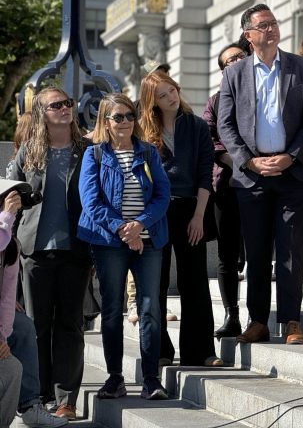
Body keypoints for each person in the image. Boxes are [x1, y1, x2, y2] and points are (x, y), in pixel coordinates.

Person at [218, 3, 303, 344]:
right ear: (249, 35)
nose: (271, 29)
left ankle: (292, 320)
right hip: (253, 177)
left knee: (291, 250)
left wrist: (292, 156)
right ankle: (258, 320)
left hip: (291, 173)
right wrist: (247, 161)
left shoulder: (300, 66)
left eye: (274, 23)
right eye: (263, 26)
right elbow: (226, 124)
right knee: (258, 253)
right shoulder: (234, 74)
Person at [78, 93, 171, 400]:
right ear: (105, 121)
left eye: (130, 116)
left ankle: (151, 378)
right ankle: (115, 377)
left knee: (150, 309)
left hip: (148, 239)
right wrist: (122, 228)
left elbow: (162, 194)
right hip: (109, 242)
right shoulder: (94, 155)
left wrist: (140, 224)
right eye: (118, 117)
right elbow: (91, 201)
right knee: (112, 309)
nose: (126, 122)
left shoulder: (148, 152)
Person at [8, 89, 91, 420]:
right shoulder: (28, 152)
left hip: (76, 249)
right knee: (37, 327)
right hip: (33, 251)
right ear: (41, 113)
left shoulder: (88, 151)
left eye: (68, 103)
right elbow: (7, 203)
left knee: (70, 325)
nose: (65, 108)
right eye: (56, 105)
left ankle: (66, 400)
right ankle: (38, 397)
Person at [138, 72, 222, 367]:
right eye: (162, 95)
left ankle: (201, 351)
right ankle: (159, 350)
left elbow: (205, 173)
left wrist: (199, 216)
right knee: (155, 283)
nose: (171, 97)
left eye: (171, 90)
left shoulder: (196, 125)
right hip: (156, 212)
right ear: (152, 102)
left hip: (191, 208)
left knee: (195, 280)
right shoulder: (143, 132)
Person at [203, 43, 249, 338]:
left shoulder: (267, 91)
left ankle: (259, 316)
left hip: (264, 181)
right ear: (223, 70)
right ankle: (232, 314)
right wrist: (229, 158)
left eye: (240, 56)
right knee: (227, 254)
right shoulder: (216, 101)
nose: (236, 61)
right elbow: (207, 137)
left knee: (259, 251)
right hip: (227, 183)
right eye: (229, 60)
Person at [1, 187, 23, 428]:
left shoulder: (11, 246)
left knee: (11, 368)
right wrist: (5, 218)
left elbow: (7, 297)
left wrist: (2, 338)